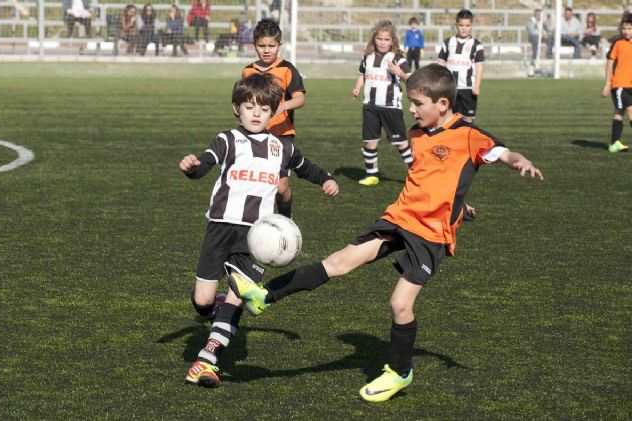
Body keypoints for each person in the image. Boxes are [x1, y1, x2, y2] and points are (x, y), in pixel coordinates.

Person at [229, 63, 544, 403]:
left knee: (399, 304)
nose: (410, 109)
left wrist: (519, 161)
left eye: (417, 103)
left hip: (431, 235)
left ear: (441, 104)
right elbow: (430, 177)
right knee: (339, 262)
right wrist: (459, 203)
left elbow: (502, 153)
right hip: (399, 217)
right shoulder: (417, 134)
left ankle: (399, 372)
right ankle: (264, 297)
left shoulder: (468, 135)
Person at [182, 73, 339, 387]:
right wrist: (192, 167)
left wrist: (325, 179)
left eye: (264, 109)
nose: (256, 113)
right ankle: (220, 306)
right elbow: (205, 165)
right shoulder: (227, 140)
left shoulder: (282, 147)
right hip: (220, 229)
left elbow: (305, 166)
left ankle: (205, 362)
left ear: (275, 111)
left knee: (238, 298)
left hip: (256, 237)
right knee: (202, 302)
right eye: (249, 106)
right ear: (236, 108)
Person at [241, 19, 306, 218]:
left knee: (280, 188)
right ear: (255, 46)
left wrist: (284, 105)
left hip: (281, 135)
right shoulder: (248, 71)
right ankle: (256, 220)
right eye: (262, 46)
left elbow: (300, 98)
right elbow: (244, 99)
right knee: (256, 181)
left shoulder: (287, 69)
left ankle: (286, 218)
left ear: (279, 45)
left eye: (271, 46)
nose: (267, 50)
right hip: (254, 134)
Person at [352, 19, 413, 186]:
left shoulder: (397, 59)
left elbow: (411, 80)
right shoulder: (368, 57)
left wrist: (399, 72)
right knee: (369, 141)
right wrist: (357, 87)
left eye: (386, 39)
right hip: (370, 106)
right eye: (379, 39)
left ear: (392, 41)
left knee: (401, 143)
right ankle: (371, 175)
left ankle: (415, 173)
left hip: (390, 107)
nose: (382, 42)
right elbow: (362, 74)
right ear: (374, 39)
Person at [438, 9, 484, 123]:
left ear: (471, 26)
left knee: (467, 121)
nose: (464, 28)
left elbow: (479, 67)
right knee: (448, 120)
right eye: (461, 25)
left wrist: (477, 86)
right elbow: (441, 63)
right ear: (456, 25)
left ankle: (466, 140)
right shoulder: (448, 43)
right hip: (450, 88)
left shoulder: (476, 45)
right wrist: (439, 83)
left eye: (467, 25)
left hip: (468, 89)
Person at [602, 13, 632, 153]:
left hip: (630, 85)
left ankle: (615, 143)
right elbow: (609, 62)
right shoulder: (618, 43)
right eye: (624, 28)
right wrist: (608, 84)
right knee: (631, 111)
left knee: (619, 113)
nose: (626, 31)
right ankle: (615, 143)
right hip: (620, 85)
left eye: (629, 28)